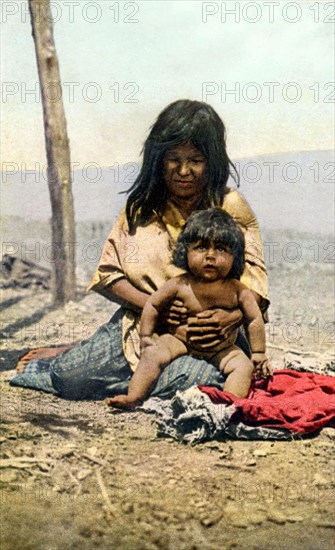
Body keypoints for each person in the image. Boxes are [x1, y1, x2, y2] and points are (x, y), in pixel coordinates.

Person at [10, 99, 269, 400]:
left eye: (195, 160)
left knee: (199, 384)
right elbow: (108, 276)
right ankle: (103, 366)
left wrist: (231, 317)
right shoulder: (141, 208)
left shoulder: (230, 206)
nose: (183, 171)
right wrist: (156, 307)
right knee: (68, 378)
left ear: (211, 161)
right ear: (159, 158)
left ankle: (141, 382)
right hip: (142, 327)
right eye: (174, 159)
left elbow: (256, 283)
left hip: (218, 339)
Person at [106, 209, 271, 409]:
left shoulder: (237, 289)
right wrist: (146, 337)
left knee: (243, 366)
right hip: (179, 341)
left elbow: (254, 319)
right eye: (201, 248)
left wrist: (259, 352)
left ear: (234, 257)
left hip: (222, 349)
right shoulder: (180, 284)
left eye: (220, 249)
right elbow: (153, 305)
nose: (210, 256)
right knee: (152, 354)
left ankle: (229, 405)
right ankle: (134, 397)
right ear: (186, 252)